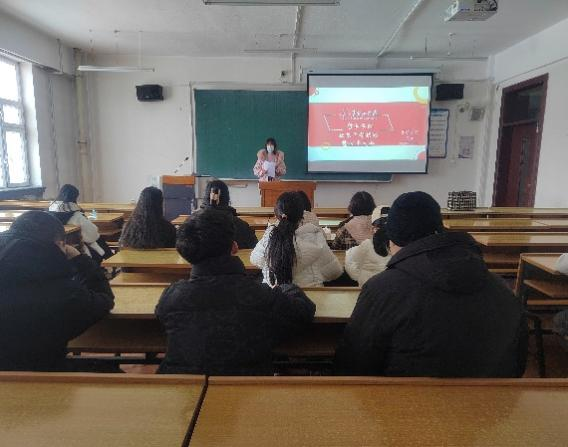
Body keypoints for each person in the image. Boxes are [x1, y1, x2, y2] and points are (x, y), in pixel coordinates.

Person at [335, 191, 527, 378]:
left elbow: (353, 364)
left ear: (392, 240)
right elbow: (518, 362)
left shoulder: (381, 289)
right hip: (494, 397)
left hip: (404, 399)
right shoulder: (502, 288)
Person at [155, 208, 315, 375]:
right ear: (234, 246)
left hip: (181, 388)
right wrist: (286, 287)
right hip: (248, 387)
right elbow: (304, 310)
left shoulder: (172, 297)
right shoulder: (260, 295)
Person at [0, 211, 114, 371]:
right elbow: (103, 301)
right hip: (42, 374)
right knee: (111, 371)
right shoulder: (64, 291)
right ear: (60, 244)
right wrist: (80, 260)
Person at [251, 191, 343, 287]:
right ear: (302, 215)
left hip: (274, 293)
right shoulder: (315, 237)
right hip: (309, 294)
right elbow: (334, 272)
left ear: (277, 214)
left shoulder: (269, 236)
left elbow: (255, 259)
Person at [48, 184, 112, 262]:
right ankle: (110, 261)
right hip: (77, 250)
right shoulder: (76, 215)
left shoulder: (50, 212)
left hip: (56, 250)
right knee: (99, 239)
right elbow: (92, 234)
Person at [200, 180, 257, 249]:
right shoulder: (242, 226)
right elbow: (256, 250)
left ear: (206, 198)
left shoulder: (193, 224)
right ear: (227, 198)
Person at [345, 207, 391, 286]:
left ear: (373, 228)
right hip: (392, 287)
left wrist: (359, 277)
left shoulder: (367, 245)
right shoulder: (399, 245)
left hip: (368, 287)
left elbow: (351, 265)